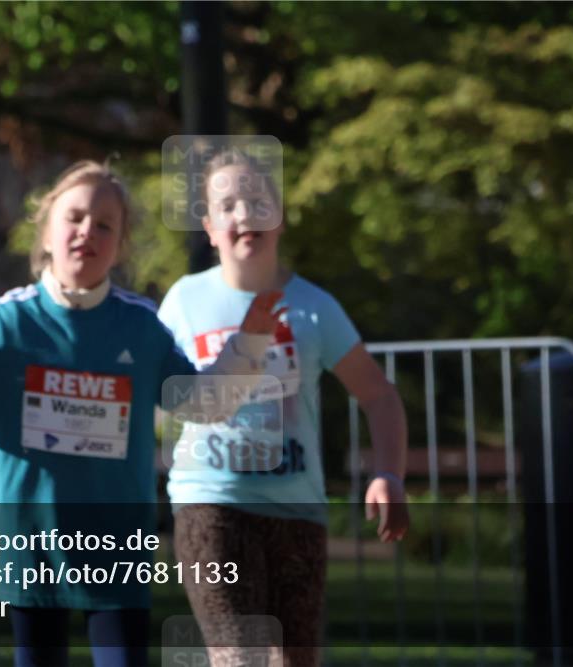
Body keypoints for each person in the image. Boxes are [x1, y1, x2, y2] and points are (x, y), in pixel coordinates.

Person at [0, 160, 284, 667]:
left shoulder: (140, 327)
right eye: (75, 217)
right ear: (47, 230)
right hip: (29, 550)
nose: (88, 231)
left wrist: (250, 342)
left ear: (120, 245)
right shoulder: (7, 320)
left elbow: (202, 400)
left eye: (105, 224)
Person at [158, 149, 410, 667]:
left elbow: (378, 394)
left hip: (298, 511)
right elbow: (160, 397)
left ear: (280, 216)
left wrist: (389, 473)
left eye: (257, 201)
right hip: (211, 503)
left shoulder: (315, 307)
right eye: (228, 205)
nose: (244, 215)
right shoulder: (184, 301)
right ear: (209, 227)